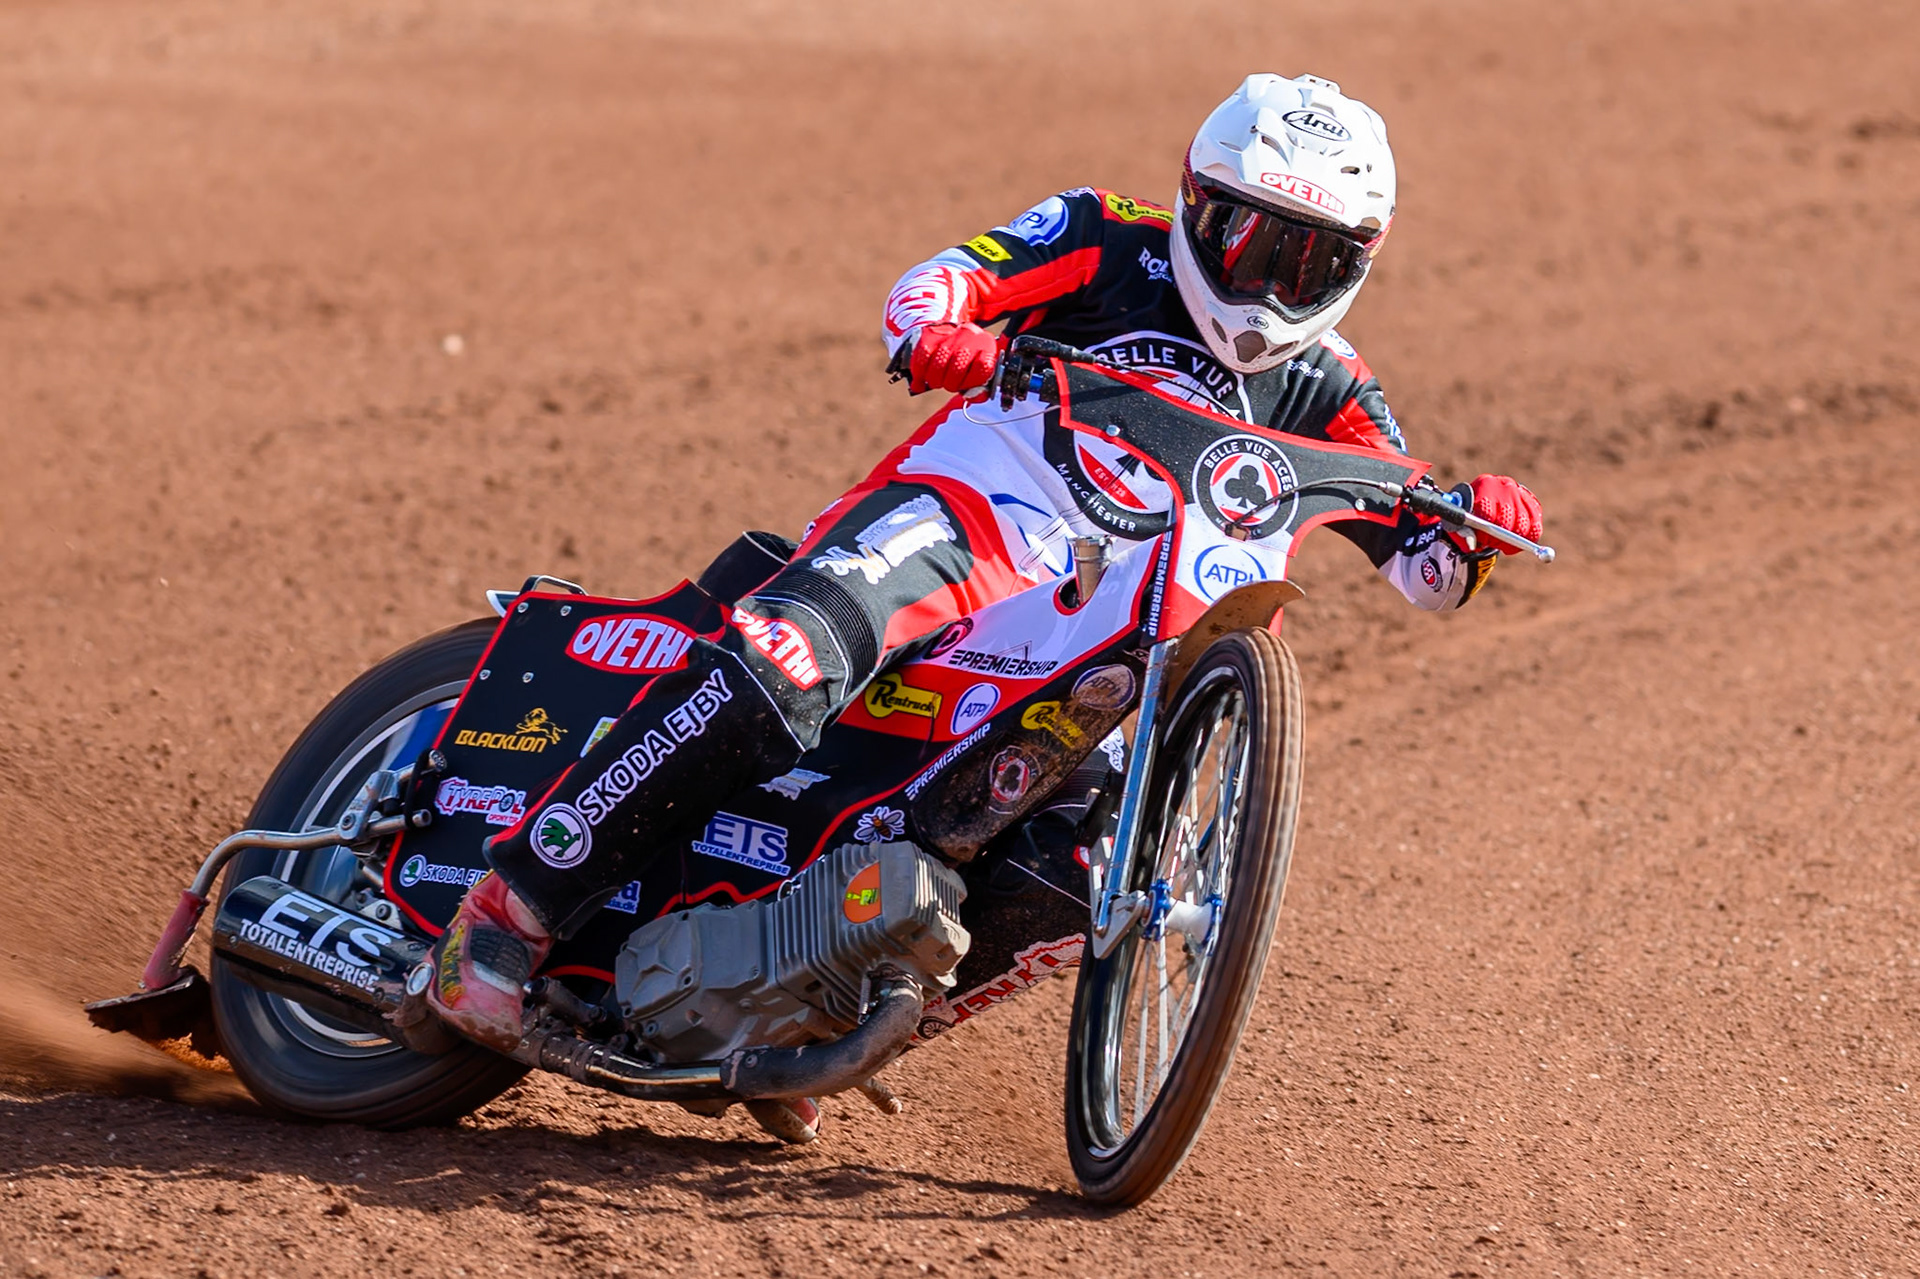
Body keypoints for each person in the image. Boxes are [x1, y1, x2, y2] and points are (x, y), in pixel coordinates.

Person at [427, 72, 1544, 1052]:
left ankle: (814, 1001)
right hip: (972, 518)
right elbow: (928, 293)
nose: (1268, 280)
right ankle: (513, 905)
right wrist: (953, 334)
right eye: (1249, 239)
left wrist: (1473, 522)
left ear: (1360, 262)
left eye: (1309, 259)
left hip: (1114, 640)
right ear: (1197, 204)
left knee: (1088, 865)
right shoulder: (1106, 233)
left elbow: (1429, 567)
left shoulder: (1335, 388)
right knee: (794, 656)